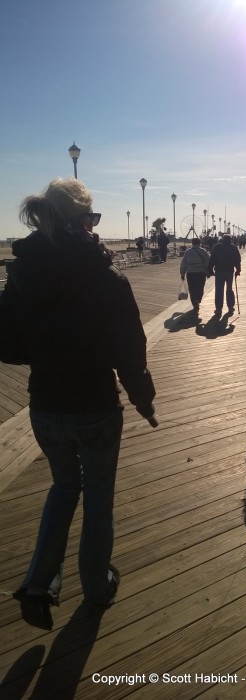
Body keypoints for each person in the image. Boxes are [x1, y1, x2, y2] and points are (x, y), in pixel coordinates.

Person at [0, 178, 157, 629]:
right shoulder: (104, 274)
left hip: (45, 405)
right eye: (93, 218)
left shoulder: (21, 272)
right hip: (94, 406)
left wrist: (47, 352)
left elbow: (7, 344)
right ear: (82, 221)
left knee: (64, 488)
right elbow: (130, 348)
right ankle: (95, 586)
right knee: (99, 498)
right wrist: (143, 401)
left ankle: (36, 585)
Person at [208, 234, 241, 317]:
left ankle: (219, 309)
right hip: (229, 271)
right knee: (229, 289)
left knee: (219, 290)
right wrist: (238, 270)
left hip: (219, 271)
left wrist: (210, 269)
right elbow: (238, 260)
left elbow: (212, 259)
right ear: (230, 240)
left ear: (222, 240)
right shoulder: (233, 247)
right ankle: (230, 307)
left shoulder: (217, 247)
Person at [180, 237, 210, 312]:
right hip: (201, 273)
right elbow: (208, 263)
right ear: (199, 243)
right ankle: (198, 300)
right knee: (200, 288)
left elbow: (183, 263)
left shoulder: (188, 252)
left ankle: (194, 303)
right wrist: (208, 272)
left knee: (192, 289)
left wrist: (182, 273)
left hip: (190, 273)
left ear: (192, 243)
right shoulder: (203, 251)